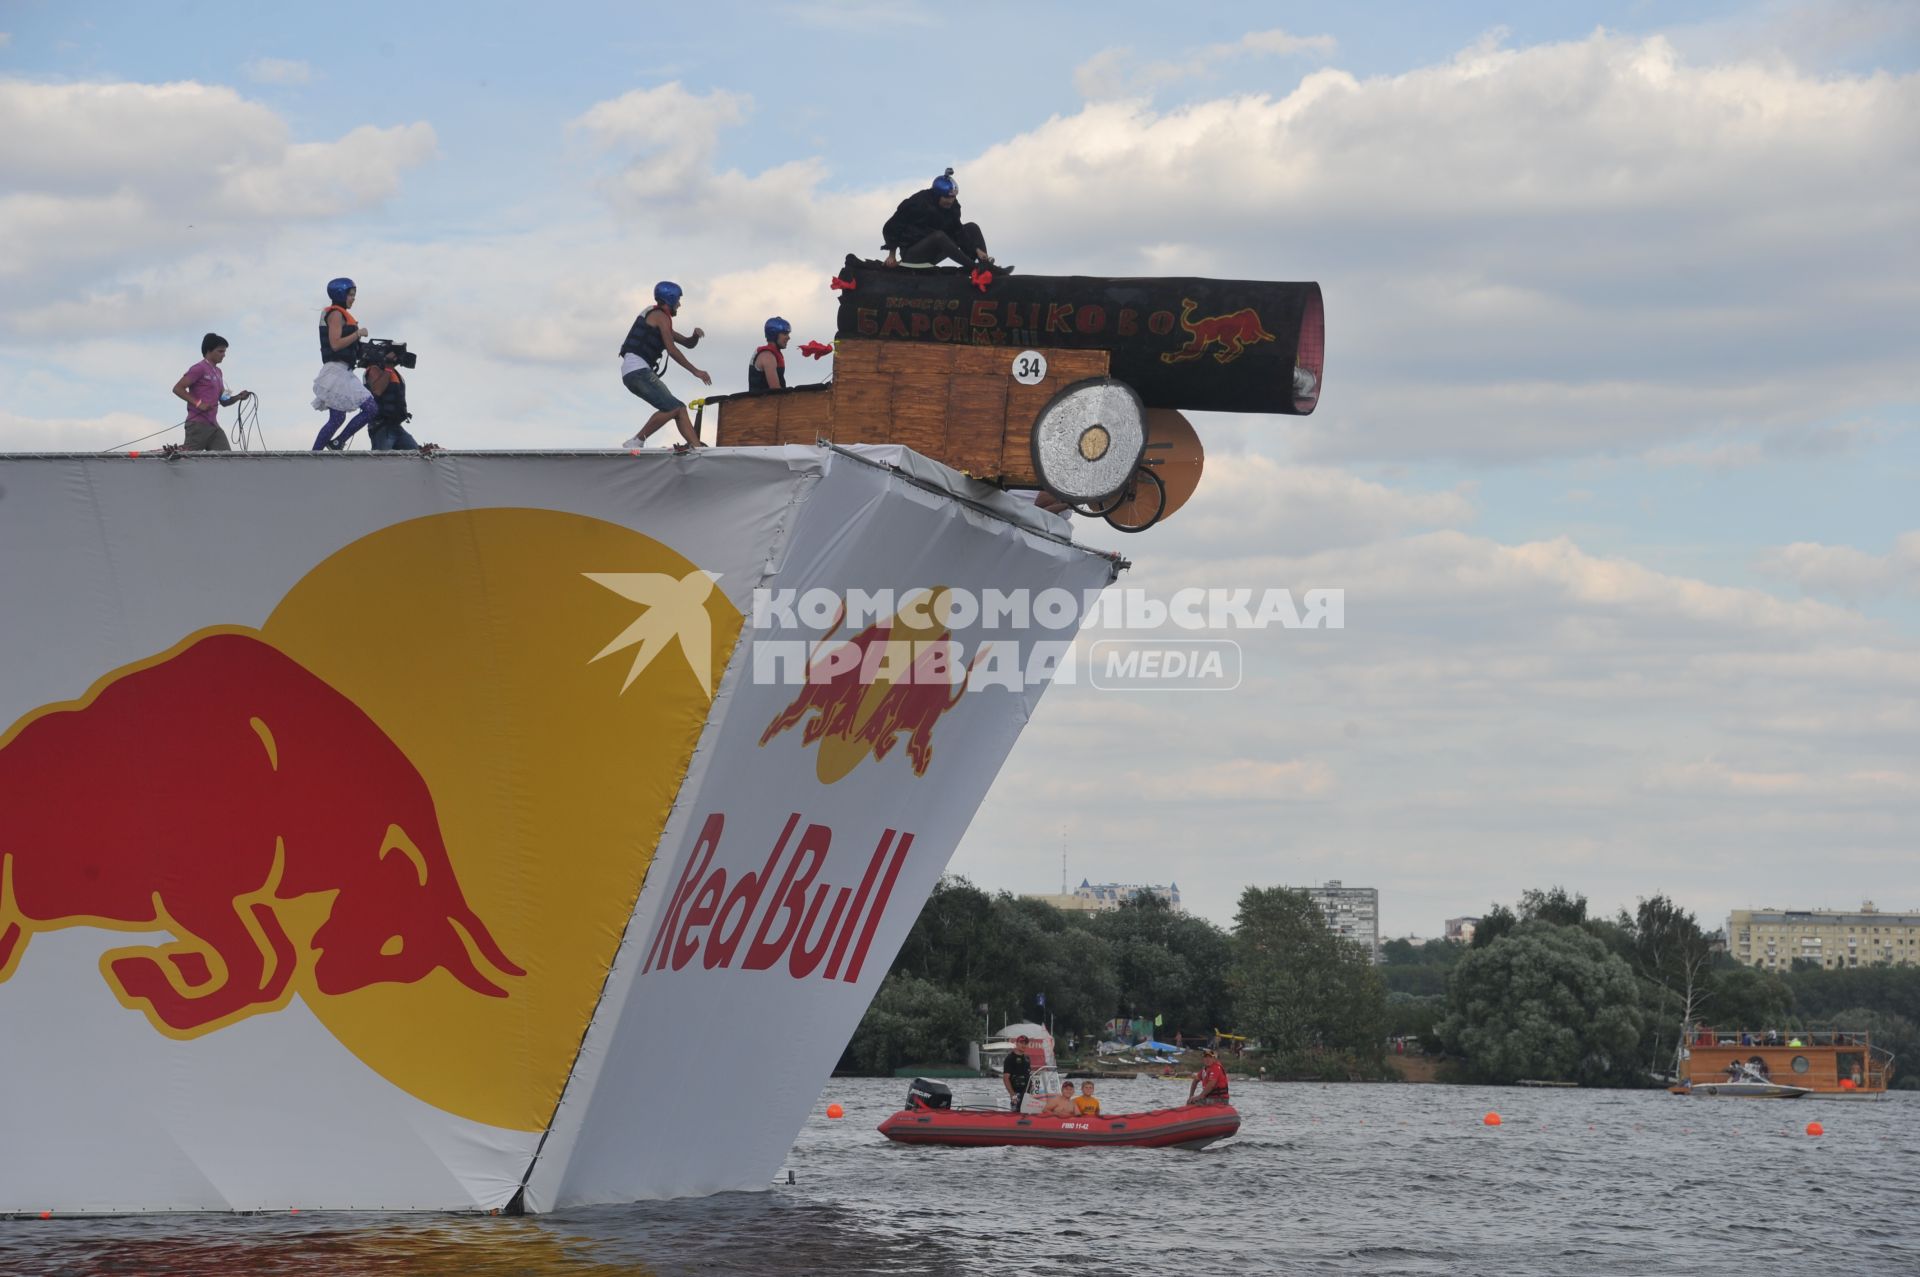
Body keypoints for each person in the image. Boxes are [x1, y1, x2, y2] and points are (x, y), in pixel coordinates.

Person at [619, 281, 710, 450]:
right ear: (670, 299)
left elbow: (686, 343)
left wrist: (695, 336)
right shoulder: (659, 316)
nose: (679, 305)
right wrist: (695, 371)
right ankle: (636, 441)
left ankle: (697, 449)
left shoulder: (659, 318)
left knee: (679, 408)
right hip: (638, 371)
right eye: (678, 301)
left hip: (634, 372)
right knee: (673, 408)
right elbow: (672, 349)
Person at [882, 169, 1007, 272]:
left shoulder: (953, 206)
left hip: (936, 252)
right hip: (913, 255)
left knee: (971, 228)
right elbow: (891, 227)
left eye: (952, 198)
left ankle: (985, 266)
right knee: (939, 236)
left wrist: (976, 249)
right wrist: (891, 255)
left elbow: (958, 231)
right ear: (937, 195)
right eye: (946, 198)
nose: (950, 201)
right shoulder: (918, 202)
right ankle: (975, 269)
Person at [311, 278, 380, 450]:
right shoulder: (336, 314)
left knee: (338, 418)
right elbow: (335, 345)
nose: (353, 299)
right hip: (335, 372)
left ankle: (331, 445)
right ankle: (321, 451)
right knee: (370, 408)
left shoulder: (342, 314)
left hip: (345, 371)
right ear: (340, 294)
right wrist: (358, 334)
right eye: (351, 295)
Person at [171, 333, 251, 452]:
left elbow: (224, 401)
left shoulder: (219, 372)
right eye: (220, 351)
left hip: (214, 426)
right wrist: (199, 404)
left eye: (224, 352)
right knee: (187, 461)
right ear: (209, 351)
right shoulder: (199, 368)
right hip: (197, 425)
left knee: (227, 459)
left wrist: (239, 396)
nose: (224, 355)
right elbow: (177, 388)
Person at [362, 357, 419, 452]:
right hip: (381, 426)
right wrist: (388, 367)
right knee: (380, 461)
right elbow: (377, 390)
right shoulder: (374, 369)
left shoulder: (392, 372)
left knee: (415, 454)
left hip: (396, 425)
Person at [748, 317, 792, 392]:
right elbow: (775, 390)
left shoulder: (772, 354)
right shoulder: (767, 356)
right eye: (785, 334)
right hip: (762, 402)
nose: (788, 337)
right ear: (773, 334)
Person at [1001, 1034, 1034, 1113]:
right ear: (1016, 1043)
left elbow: (1028, 1074)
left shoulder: (1027, 1058)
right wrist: (1012, 1094)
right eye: (1021, 1042)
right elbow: (1006, 1078)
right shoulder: (1010, 1058)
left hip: (1027, 1092)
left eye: (1025, 1043)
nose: (1024, 1045)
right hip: (1016, 1092)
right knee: (1016, 1112)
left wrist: (1033, 1088)